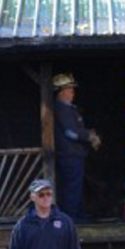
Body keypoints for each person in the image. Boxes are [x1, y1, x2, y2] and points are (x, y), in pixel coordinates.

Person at [53, 73, 101, 222]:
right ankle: (71, 217)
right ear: (61, 92)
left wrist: (87, 134)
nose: (73, 92)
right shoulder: (62, 109)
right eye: (69, 89)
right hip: (69, 154)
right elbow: (71, 132)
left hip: (74, 154)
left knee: (76, 186)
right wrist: (89, 136)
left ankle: (78, 214)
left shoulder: (68, 109)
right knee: (71, 187)